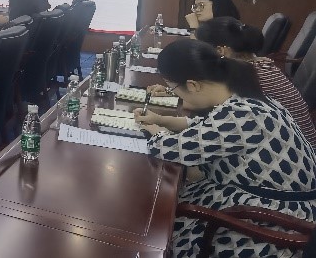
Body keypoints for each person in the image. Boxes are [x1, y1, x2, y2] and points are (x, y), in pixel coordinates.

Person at [134, 39, 316, 258]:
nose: (177, 96)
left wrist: (152, 129)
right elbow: (206, 128)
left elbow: (168, 149)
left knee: (160, 226)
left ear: (193, 85)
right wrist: (160, 119)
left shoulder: (240, 115)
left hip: (278, 220)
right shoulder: (246, 98)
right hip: (281, 202)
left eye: (174, 89)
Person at [150, 17, 316, 147]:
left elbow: (200, 104)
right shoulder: (252, 65)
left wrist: (172, 97)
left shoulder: (250, 75)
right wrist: (173, 91)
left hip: (291, 150)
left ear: (221, 50)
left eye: (201, 47)